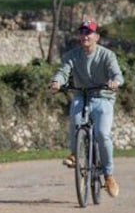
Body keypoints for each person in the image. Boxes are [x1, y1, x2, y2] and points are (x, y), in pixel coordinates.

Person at [48, 18, 124, 197]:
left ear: (96, 36)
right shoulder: (72, 55)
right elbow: (63, 72)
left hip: (103, 97)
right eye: (82, 32)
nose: (85, 36)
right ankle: (75, 154)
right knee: (75, 120)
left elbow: (117, 74)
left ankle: (109, 175)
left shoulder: (107, 55)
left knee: (102, 134)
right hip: (81, 95)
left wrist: (115, 82)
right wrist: (57, 82)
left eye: (88, 32)